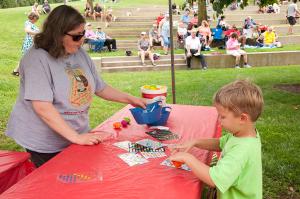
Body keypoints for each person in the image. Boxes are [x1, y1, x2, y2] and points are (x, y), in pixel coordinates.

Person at [6, 5, 146, 168]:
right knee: (59, 185)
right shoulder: (36, 59)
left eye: (83, 35)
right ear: (57, 34)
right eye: (76, 37)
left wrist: (132, 99)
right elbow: (42, 107)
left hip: (75, 135)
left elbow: (100, 87)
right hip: (45, 141)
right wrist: (76, 137)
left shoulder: (79, 52)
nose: (82, 41)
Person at [169, 79, 264, 199]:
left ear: (242, 118)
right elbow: (220, 143)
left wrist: (187, 158)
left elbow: (214, 179)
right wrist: (195, 142)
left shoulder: (242, 150)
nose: (219, 120)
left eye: (222, 116)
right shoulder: (242, 134)